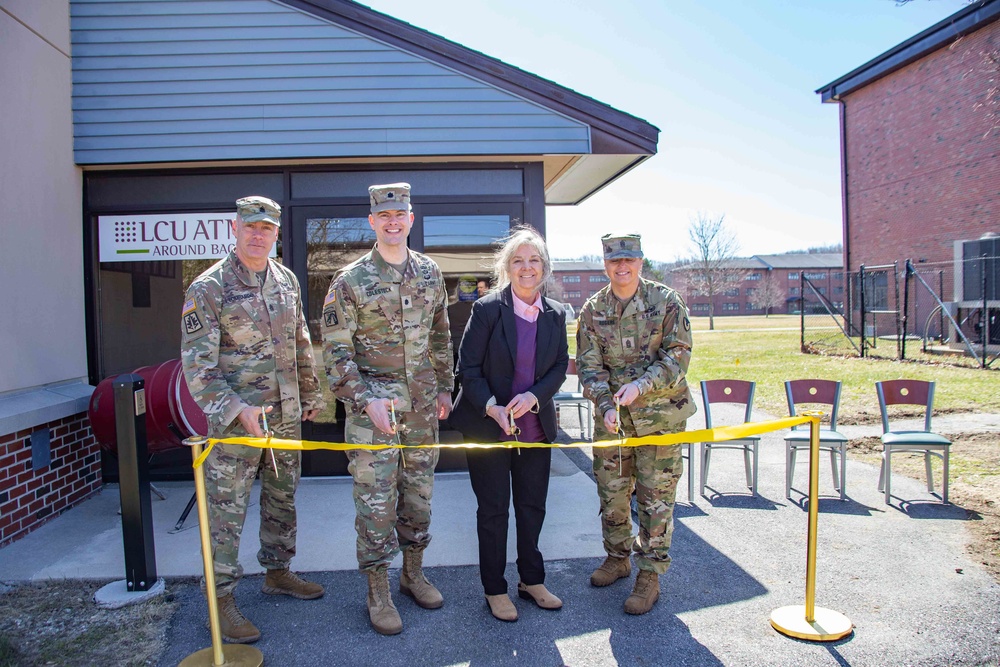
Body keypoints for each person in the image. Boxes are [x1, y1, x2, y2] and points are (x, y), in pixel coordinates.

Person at [181, 196, 326, 644]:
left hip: (283, 417)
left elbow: (300, 339)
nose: (258, 234)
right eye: (251, 227)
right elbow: (196, 368)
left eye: (267, 228)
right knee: (227, 513)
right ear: (236, 227)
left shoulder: (284, 280)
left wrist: (309, 391)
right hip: (234, 424)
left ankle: (278, 572)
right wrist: (236, 410)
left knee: (282, 500)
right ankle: (220, 600)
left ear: (277, 233)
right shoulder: (209, 287)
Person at [321, 183, 454, 635]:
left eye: (401, 214)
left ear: (411, 220)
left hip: (420, 408)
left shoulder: (431, 274)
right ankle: (377, 589)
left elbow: (440, 335)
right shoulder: (350, 280)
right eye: (385, 216)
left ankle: (412, 573)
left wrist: (444, 388)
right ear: (372, 221)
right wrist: (365, 400)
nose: (393, 222)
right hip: (372, 413)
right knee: (375, 503)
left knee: (418, 497)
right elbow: (335, 353)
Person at [450, 227, 569, 622]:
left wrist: (535, 396)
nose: (526, 267)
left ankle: (531, 580)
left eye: (533, 260)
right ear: (506, 267)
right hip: (488, 428)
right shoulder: (485, 310)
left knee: (533, 506)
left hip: (535, 429)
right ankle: (495, 588)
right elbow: (467, 368)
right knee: (494, 509)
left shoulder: (555, 313)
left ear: (544, 268)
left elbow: (557, 368)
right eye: (517, 260)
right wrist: (491, 406)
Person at [576, 233, 697, 615]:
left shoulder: (666, 302)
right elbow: (588, 365)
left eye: (629, 260)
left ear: (641, 262)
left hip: (659, 420)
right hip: (613, 423)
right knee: (611, 495)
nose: (622, 267)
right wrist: (603, 404)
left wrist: (642, 385)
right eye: (614, 262)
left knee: (655, 499)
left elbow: (677, 357)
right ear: (605, 265)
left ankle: (650, 574)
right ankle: (617, 557)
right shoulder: (593, 309)